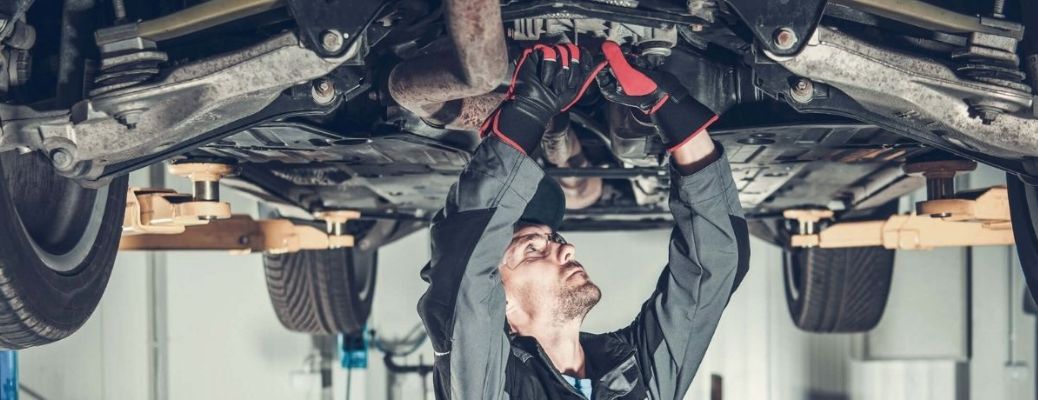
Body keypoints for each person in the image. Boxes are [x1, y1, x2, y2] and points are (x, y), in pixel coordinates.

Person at [417, 40, 750, 399]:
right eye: (535, 247)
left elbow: (463, 276)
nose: (567, 248)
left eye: (542, 245)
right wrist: (672, 111)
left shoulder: (492, 389)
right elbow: (714, 267)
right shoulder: (631, 380)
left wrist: (529, 113)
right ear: (502, 301)